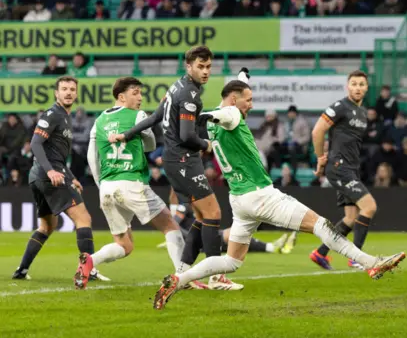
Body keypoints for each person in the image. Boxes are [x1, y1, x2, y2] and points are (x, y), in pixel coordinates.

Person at [152, 69, 405, 310]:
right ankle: (372, 264)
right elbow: (225, 113)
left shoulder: (223, 115)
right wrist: (201, 114)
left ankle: (179, 279)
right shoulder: (230, 114)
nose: (251, 105)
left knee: (231, 261)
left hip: (239, 199)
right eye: (248, 100)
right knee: (321, 225)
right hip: (262, 195)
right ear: (233, 100)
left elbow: (229, 102)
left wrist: (242, 78)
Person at [109, 46, 242, 291]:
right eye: (200, 67)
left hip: (174, 161)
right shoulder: (190, 94)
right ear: (188, 66)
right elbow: (187, 135)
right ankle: (216, 277)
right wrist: (207, 145)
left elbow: (154, 117)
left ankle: (181, 272)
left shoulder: (176, 86)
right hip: (184, 161)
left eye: (209, 67)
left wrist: (126, 135)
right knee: (213, 213)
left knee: (202, 217)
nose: (205, 72)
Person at [86, 77, 186, 283]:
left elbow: (91, 157)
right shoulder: (138, 115)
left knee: (125, 245)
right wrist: (140, 134)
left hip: (106, 187)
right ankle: (184, 276)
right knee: (170, 225)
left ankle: (90, 262)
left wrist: (101, 185)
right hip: (132, 183)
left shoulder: (99, 121)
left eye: (140, 93)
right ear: (121, 97)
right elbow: (150, 145)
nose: (140, 97)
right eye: (135, 93)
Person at [12, 76, 103, 289]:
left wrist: (72, 178)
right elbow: (35, 143)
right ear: (56, 93)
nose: (69, 92)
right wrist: (51, 170)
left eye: (72, 89)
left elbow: (57, 156)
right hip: (48, 175)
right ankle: (88, 268)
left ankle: (22, 269)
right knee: (84, 219)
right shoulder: (53, 114)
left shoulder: (65, 117)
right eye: (64, 89)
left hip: (40, 176)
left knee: (47, 225)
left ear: (76, 93)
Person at [309, 71, 378, 271]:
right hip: (340, 168)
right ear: (348, 87)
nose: (357, 87)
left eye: (361, 84)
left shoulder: (362, 113)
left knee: (350, 217)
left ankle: (320, 253)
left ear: (366, 88)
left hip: (351, 169)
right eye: (354, 84)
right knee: (370, 207)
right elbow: (318, 130)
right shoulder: (340, 107)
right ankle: (357, 258)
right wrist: (321, 157)